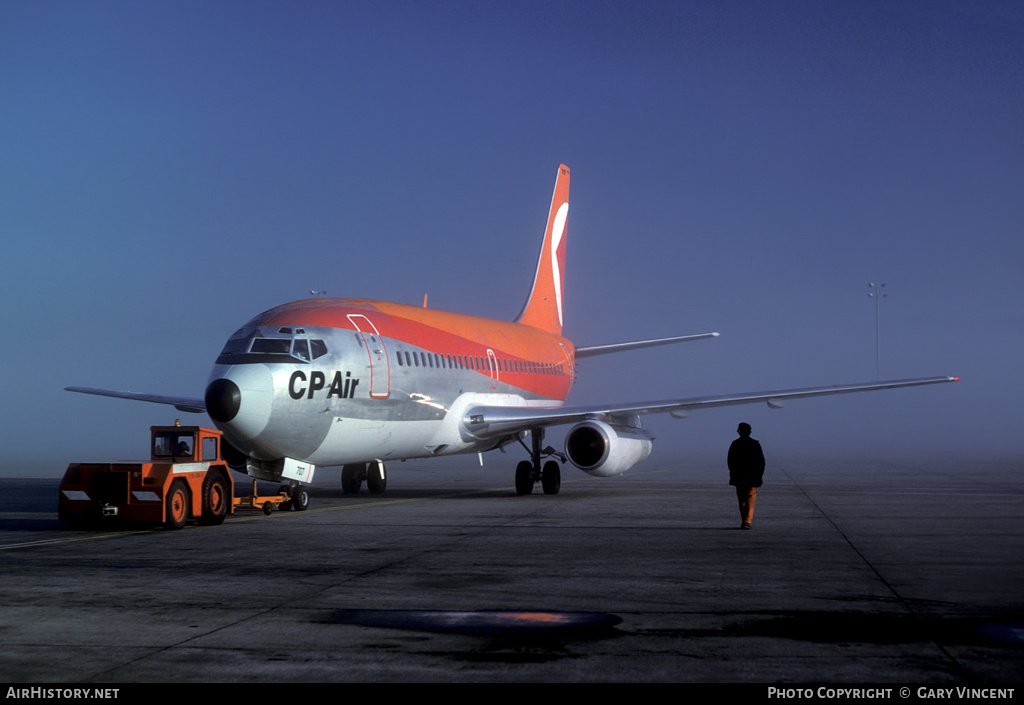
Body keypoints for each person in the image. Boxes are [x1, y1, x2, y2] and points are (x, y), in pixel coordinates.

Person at [727, 422, 765, 530]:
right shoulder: (755, 444)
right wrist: (759, 475)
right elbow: (761, 462)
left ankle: (745, 520)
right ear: (750, 431)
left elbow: (730, 461)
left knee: (742, 500)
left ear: (739, 431)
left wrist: (733, 473)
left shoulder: (735, 444)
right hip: (752, 476)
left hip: (740, 476)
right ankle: (747, 521)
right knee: (750, 499)